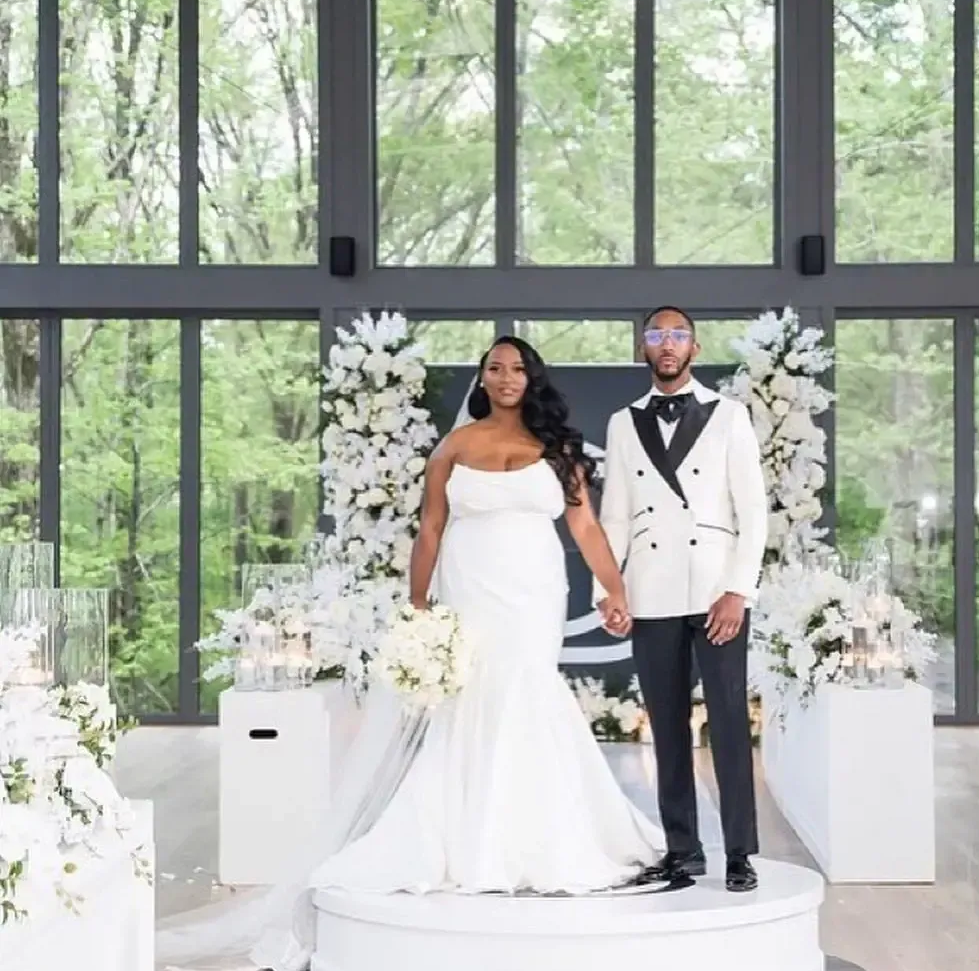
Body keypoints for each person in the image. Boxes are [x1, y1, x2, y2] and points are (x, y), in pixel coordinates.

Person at [305, 335, 662, 897]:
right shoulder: (452, 448)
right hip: (469, 585)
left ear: (532, 378)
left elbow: (586, 527)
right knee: (471, 695)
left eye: (517, 368)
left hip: (533, 588)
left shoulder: (558, 449)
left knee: (527, 686)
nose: (505, 377)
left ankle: (543, 834)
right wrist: (418, 608)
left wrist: (614, 589)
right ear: (483, 378)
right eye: (494, 368)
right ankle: (463, 836)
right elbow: (429, 530)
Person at [593, 306, 769, 892]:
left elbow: (754, 514)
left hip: (716, 589)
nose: (667, 345)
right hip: (651, 590)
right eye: (656, 335)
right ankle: (682, 849)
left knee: (725, 725)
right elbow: (613, 514)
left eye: (678, 335)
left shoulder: (730, 416)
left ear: (694, 347)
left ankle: (740, 852)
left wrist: (738, 591)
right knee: (664, 729)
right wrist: (609, 590)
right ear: (643, 347)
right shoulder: (623, 422)